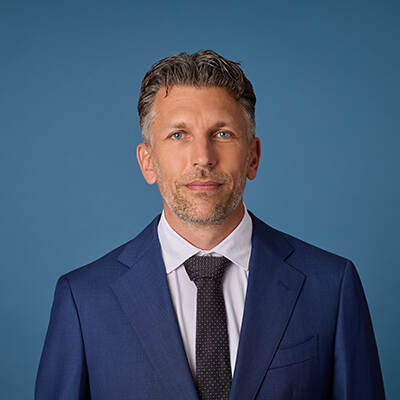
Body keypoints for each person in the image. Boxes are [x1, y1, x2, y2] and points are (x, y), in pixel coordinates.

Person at [35, 50, 385, 400]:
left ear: (253, 157)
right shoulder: (83, 300)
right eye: (178, 135)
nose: (203, 157)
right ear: (148, 162)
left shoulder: (331, 287)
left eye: (222, 134)